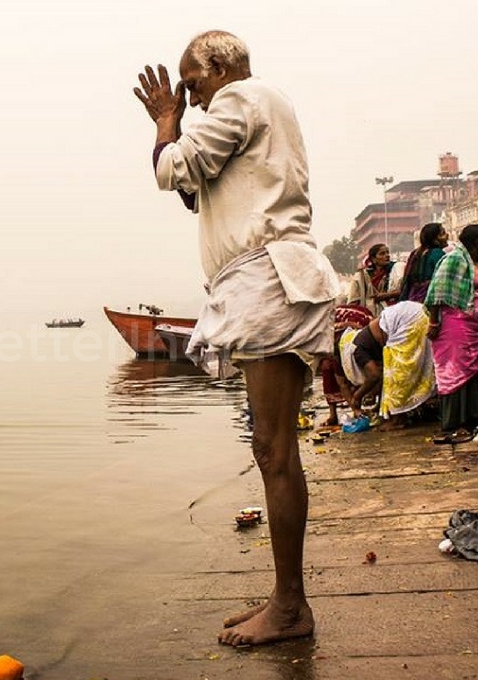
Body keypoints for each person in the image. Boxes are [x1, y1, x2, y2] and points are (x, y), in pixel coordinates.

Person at [134, 30, 337, 646]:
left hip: (268, 282)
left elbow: (175, 169)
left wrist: (165, 126)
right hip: (268, 281)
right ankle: (284, 596)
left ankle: (290, 608)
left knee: (274, 450)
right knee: (272, 447)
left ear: (220, 67)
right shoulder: (254, 108)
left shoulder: (241, 98)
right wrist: (178, 136)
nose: (191, 100)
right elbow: (198, 191)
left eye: (193, 84)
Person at [425, 223, 478, 443]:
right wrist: (434, 322)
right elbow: (437, 292)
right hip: (455, 325)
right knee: (458, 371)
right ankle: (458, 423)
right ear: (477, 242)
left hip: (477, 327)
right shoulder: (454, 259)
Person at [338, 301, 436, 430]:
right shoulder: (363, 340)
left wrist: (357, 396)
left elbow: (374, 376)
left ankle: (398, 419)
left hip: (410, 321)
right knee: (406, 370)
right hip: (418, 313)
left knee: (397, 373)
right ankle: (412, 410)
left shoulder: (358, 350)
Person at [319, 306, 373, 426]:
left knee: (368, 373)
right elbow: (342, 384)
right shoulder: (332, 346)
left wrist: (358, 396)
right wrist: (356, 409)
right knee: (328, 368)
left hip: (359, 327)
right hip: (334, 334)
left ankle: (376, 407)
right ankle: (334, 415)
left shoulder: (365, 347)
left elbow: (375, 376)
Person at [399, 222, 449, 303]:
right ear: (435, 240)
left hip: (413, 298)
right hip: (430, 300)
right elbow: (444, 281)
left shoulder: (415, 253)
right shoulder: (438, 254)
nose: (447, 235)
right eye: (443, 233)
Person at [347, 244, 400, 316]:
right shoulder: (362, 275)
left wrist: (387, 295)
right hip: (368, 312)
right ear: (374, 259)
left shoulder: (395, 270)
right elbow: (354, 298)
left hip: (390, 310)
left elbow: (403, 290)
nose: (387, 255)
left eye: (387, 252)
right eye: (382, 254)